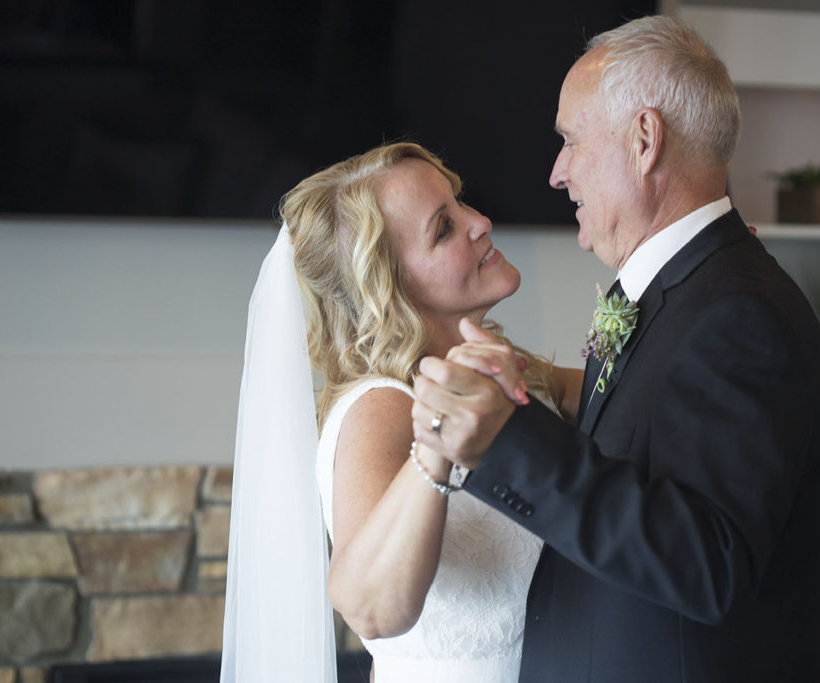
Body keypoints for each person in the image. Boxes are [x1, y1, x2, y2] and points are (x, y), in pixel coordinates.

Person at [412, 15, 820, 682]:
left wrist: (508, 440)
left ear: (645, 140)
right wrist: (543, 383)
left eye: (571, 140)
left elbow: (711, 561)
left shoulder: (741, 314)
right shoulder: (691, 294)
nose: (557, 172)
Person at [220, 142, 567, 683]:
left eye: (461, 203)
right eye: (444, 228)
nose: (481, 221)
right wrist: (437, 443)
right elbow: (372, 608)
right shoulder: (379, 409)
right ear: (389, 285)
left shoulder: (503, 374)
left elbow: (627, 384)